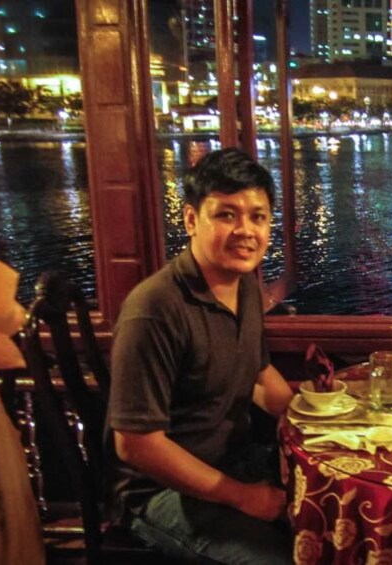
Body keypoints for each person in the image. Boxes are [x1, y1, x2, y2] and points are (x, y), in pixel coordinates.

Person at [107, 148, 294, 564]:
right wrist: (244, 497)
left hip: (235, 462)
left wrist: (315, 417)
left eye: (258, 216)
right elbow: (136, 445)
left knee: (331, 528)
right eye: (226, 215)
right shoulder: (154, 310)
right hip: (161, 492)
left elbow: (259, 375)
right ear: (191, 219)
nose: (246, 230)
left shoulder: (243, 283)